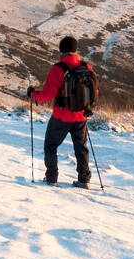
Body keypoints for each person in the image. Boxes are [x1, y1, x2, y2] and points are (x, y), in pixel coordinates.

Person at [30, 36, 96, 188]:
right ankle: (84, 179)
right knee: (81, 147)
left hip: (62, 116)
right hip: (81, 115)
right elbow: (94, 90)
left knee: (51, 145)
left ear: (61, 50)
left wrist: (32, 94)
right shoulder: (87, 67)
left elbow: (47, 95)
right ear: (75, 50)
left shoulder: (58, 69)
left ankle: (52, 178)